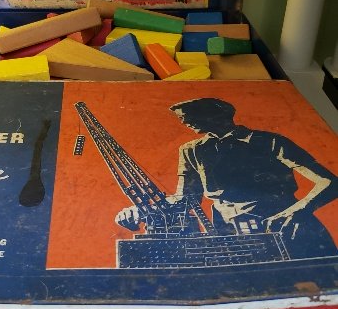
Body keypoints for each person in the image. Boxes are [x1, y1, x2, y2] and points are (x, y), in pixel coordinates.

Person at [116, 97, 337, 259]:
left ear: (216, 114)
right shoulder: (191, 150)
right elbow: (186, 198)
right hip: (229, 235)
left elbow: (330, 182)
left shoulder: (269, 141)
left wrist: (297, 212)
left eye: (190, 115)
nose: (184, 121)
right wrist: (143, 209)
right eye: (182, 118)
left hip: (287, 229)